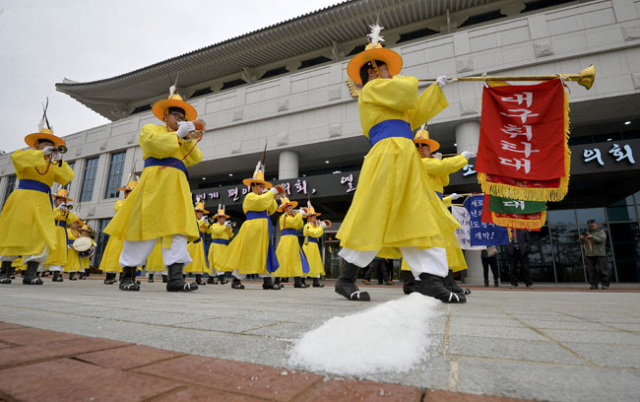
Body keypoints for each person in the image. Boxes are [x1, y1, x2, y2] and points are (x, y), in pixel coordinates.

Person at [335, 24, 464, 304]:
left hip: (404, 154)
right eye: (372, 70)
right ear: (367, 76)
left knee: (418, 214)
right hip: (387, 153)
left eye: (381, 68)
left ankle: (429, 279)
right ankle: (345, 279)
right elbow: (405, 93)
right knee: (374, 214)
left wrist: (434, 89)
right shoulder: (371, 91)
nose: (378, 72)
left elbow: (414, 112)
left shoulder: (391, 95)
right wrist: (395, 79)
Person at [104, 86, 204, 292]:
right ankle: (128, 275)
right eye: (176, 115)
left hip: (176, 185)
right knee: (142, 227)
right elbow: (153, 146)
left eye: (182, 116)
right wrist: (178, 134)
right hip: (154, 181)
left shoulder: (181, 138)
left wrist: (186, 137)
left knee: (178, 229)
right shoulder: (151, 129)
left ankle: (175, 278)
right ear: (165, 116)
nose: (180, 119)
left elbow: (195, 158)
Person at [0, 118, 75, 286]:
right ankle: (4, 270)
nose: (48, 146)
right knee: (14, 232)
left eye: (51, 144)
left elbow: (68, 177)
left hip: (42, 200)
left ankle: (31, 273)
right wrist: (41, 154)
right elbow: (16, 159)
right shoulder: (26, 155)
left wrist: (59, 159)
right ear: (37, 145)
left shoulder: (53, 164)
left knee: (41, 235)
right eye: (45, 143)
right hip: (23, 198)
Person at [400, 129, 475, 296]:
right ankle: (413, 283)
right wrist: (462, 158)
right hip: (424, 207)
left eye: (424, 146)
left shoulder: (429, 163)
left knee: (440, 243)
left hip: (434, 206)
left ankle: (444, 282)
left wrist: (439, 163)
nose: (421, 149)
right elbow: (445, 167)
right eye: (417, 146)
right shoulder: (420, 163)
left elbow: (444, 178)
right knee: (425, 243)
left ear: (430, 149)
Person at [216, 160, 286, 289]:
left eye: (262, 186)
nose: (261, 188)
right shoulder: (250, 196)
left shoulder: (263, 197)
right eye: (259, 186)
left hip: (264, 227)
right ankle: (237, 279)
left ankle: (267, 280)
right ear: (253, 186)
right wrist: (271, 192)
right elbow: (260, 203)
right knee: (247, 252)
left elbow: (272, 209)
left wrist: (271, 196)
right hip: (252, 227)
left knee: (265, 252)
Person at [99, 177, 137, 285]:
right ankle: (109, 277)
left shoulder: (138, 205)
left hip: (131, 231)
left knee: (131, 253)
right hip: (119, 231)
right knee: (114, 253)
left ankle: (128, 278)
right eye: (130, 192)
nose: (132, 194)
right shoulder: (120, 203)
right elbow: (119, 209)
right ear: (126, 194)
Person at [274, 197, 310, 288]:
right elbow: (292, 223)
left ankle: (297, 281)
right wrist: (299, 214)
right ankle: (276, 280)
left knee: (296, 259)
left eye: (292, 208)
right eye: (290, 208)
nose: (292, 209)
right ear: (285, 209)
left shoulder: (292, 216)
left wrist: (299, 215)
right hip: (286, 239)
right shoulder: (284, 217)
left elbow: (298, 226)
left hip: (293, 239)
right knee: (282, 258)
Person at [45, 188, 78, 283]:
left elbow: (72, 221)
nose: (62, 202)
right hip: (51, 230)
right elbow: (49, 216)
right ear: (55, 200)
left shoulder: (65, 211)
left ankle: (56, 275)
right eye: (60, 200)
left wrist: (68, 212)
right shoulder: (51, 208)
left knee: (60, 252)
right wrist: (57, 209)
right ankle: (36, 272)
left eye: (64, 201)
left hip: (61, 233)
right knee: (47, 250)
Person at [184, 201, 211, 286]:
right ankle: (182, 278)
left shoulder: (202, 221)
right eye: (199, 212)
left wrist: (207, 224)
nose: (201, 214)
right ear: (195, 212)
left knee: (200, 261)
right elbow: (195, 227)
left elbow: (209, 232)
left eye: (202, 213)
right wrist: (202, 222)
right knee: (188, 259)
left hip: (200, 243)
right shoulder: (193, 220)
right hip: (192, 242)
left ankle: (198, 279)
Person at [302, 203, 327, 288]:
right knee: (307, 262)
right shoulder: (307, 226)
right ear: (309, 218)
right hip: (308, 246)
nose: (315, 218)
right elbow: (314, 233)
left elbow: (318, 234)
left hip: (314, 246)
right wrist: (320, 227)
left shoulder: (314, 226)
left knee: (316, 262)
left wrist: (319, 227)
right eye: (313, 217)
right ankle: (302, 281)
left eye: (315, 217)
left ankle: (316, 281)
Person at [207, 205, 233, 285]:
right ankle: (222, 279)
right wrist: (224, 226)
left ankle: (210, 279)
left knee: (216, 263)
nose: (224, 219)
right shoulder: (215, 225)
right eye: (222, 217)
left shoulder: (225, 227)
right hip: (217, 245)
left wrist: (229, 228)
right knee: (218, 261)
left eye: (224, 218)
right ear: (218, 218)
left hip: (224, 246)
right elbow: (217, 231)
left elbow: (231, 235)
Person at [580, 219, 609, 290]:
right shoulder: (587, 233)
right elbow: (582, 243)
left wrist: (592, 237)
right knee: (591, 271)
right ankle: (593, 284)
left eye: (592, 226)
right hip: (589, 254)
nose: (591, 227)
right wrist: (582, 239)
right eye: (589, 226)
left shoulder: (601, 232)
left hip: (600, 254)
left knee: (603, 270)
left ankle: (605, 284)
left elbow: (601, 240)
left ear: (596, 224)